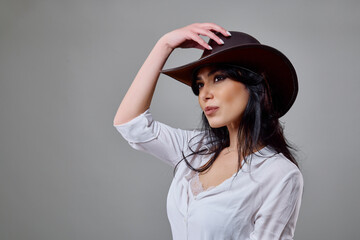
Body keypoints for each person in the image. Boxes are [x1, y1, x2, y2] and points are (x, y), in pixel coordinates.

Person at [113, 23, 303, 240]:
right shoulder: (196, 148)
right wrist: (164, 45)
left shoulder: (279, 174)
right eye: (200, 85)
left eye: (218, 78)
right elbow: (130, 124)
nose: (204, 94)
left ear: (254, 86)